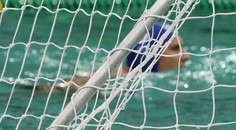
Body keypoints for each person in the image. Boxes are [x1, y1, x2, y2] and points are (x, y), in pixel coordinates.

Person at [37, 22, 190, 93]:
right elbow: (53, 89)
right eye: (175, 48)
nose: (186, 56)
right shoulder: (116, 80)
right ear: (150, 54)